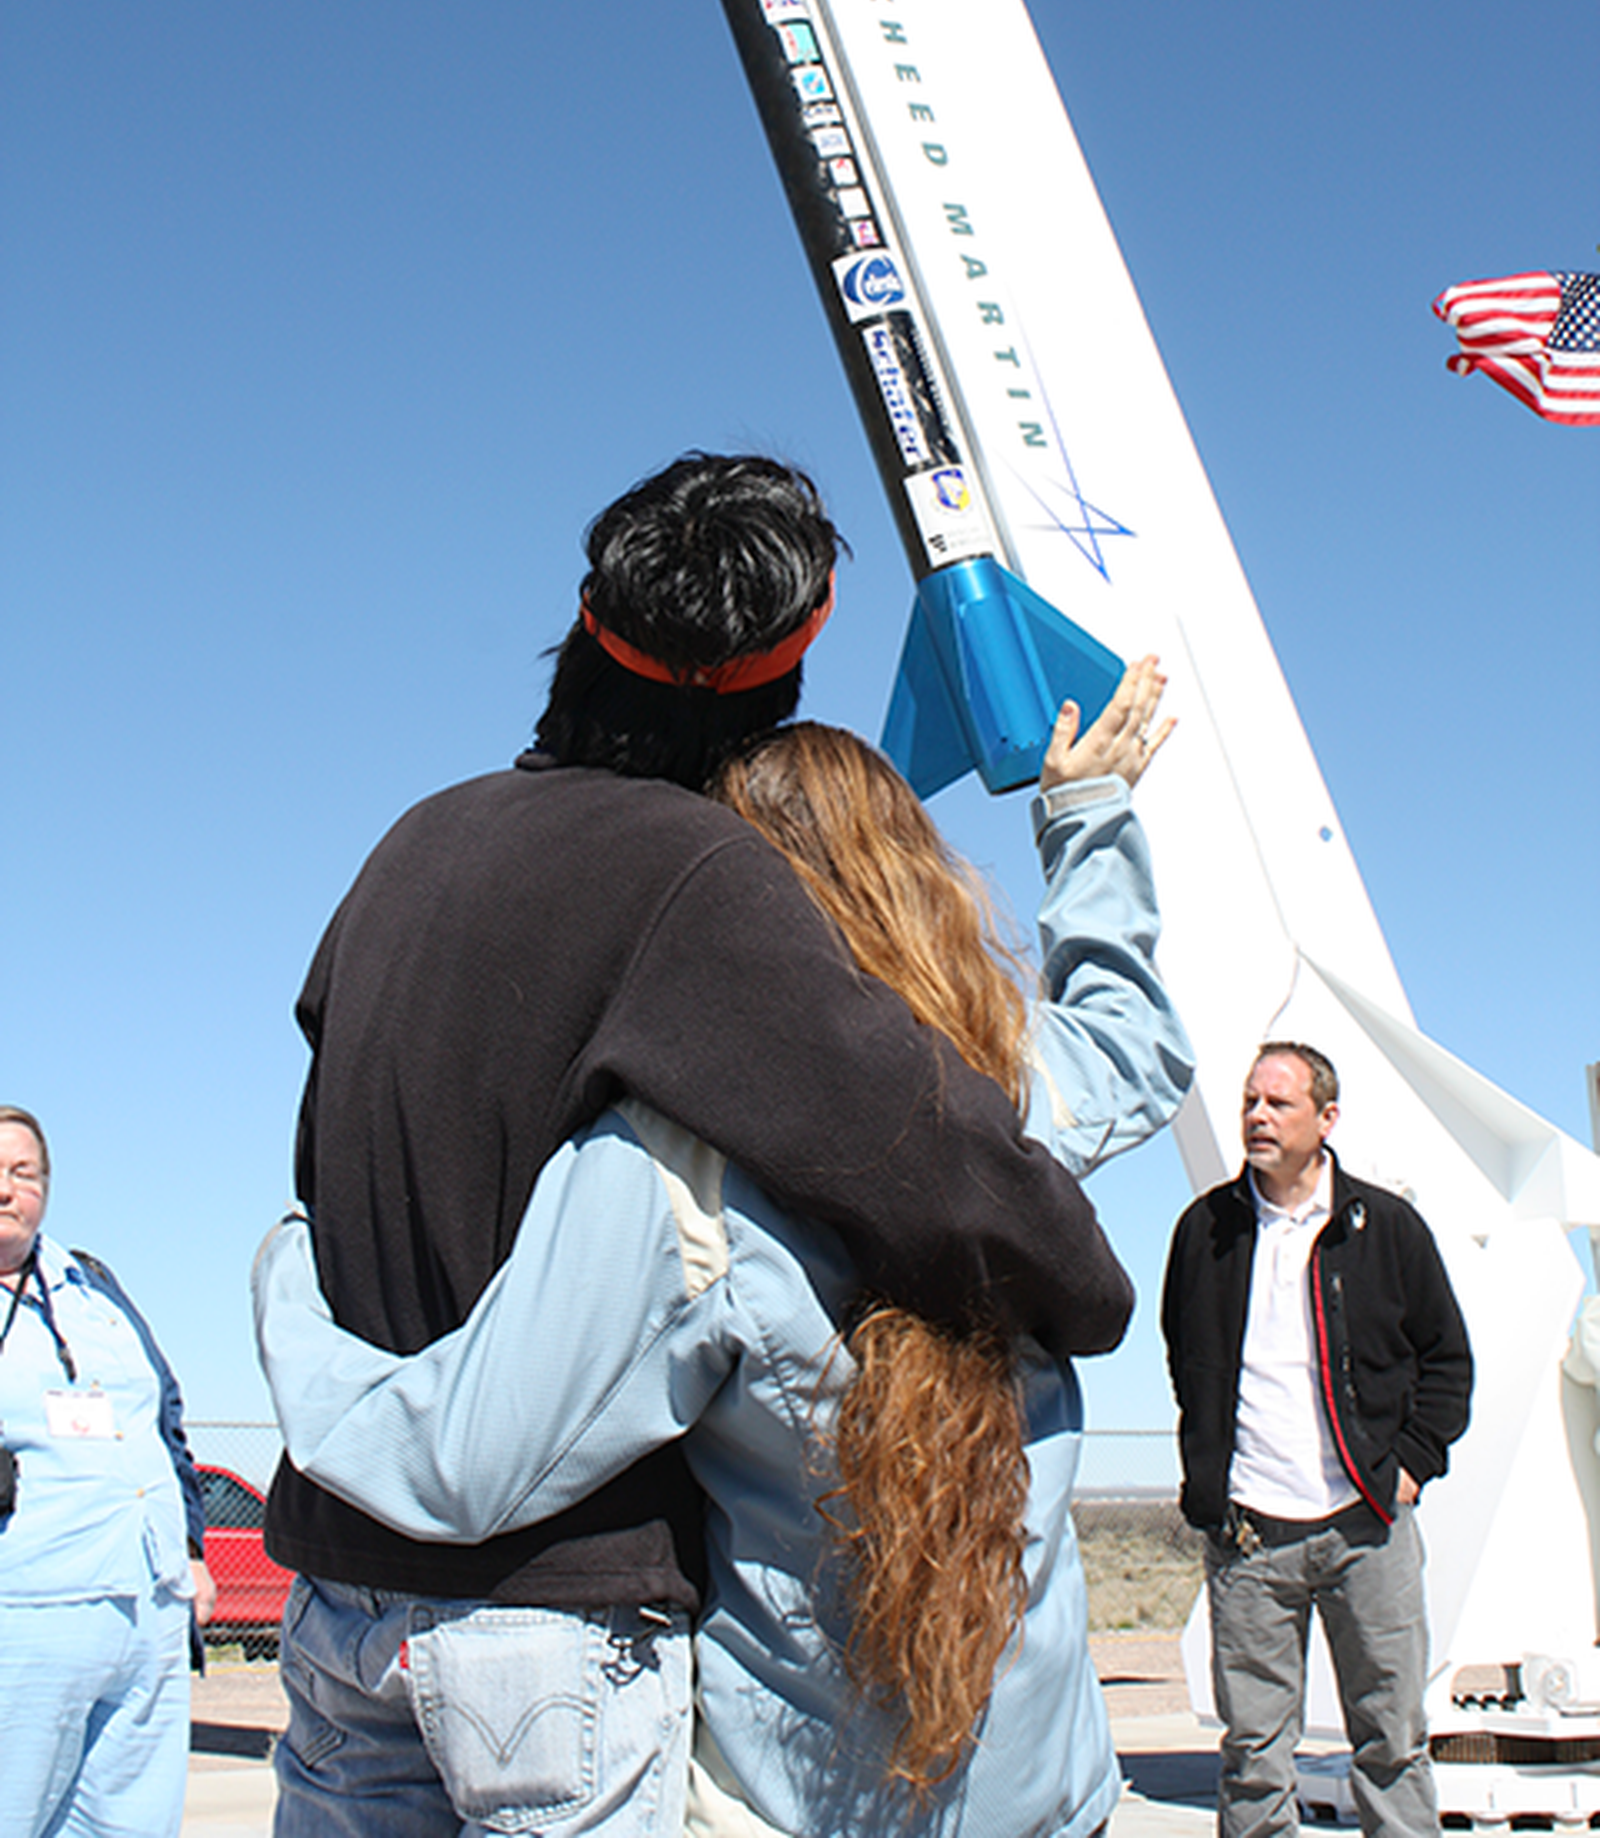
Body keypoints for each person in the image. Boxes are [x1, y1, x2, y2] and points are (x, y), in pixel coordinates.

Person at [266, 451, 1140, 1836]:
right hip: (548, 1618)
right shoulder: (695, 881)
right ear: (791, 667)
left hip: (333, 1603)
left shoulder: (405, 852)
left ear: (584, 614)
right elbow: (914, 1149)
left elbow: (324, 1168)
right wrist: (1077, 1279)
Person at [1161, 1043, 1474, 1838]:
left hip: (1366, 1527)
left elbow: (1446, 1360)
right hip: (1249, 1538)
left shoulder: (1385, 1227)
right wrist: (1212, 1473)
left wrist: (1408, 1467)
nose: (1257, 1117)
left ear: (1326, 1118)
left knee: (1391, 1744)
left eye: (1278, 1103)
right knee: (1254, 1756)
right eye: (1249, 1103)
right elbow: (1185, 1354)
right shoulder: (1205, 1233)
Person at [0, 1105, 216, 1838]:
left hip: (149, 1607)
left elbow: (166, 1416)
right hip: (28, 1610)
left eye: (22, 1173)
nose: (6, 1189)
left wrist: (190, 1550)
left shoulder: (90, 1283)